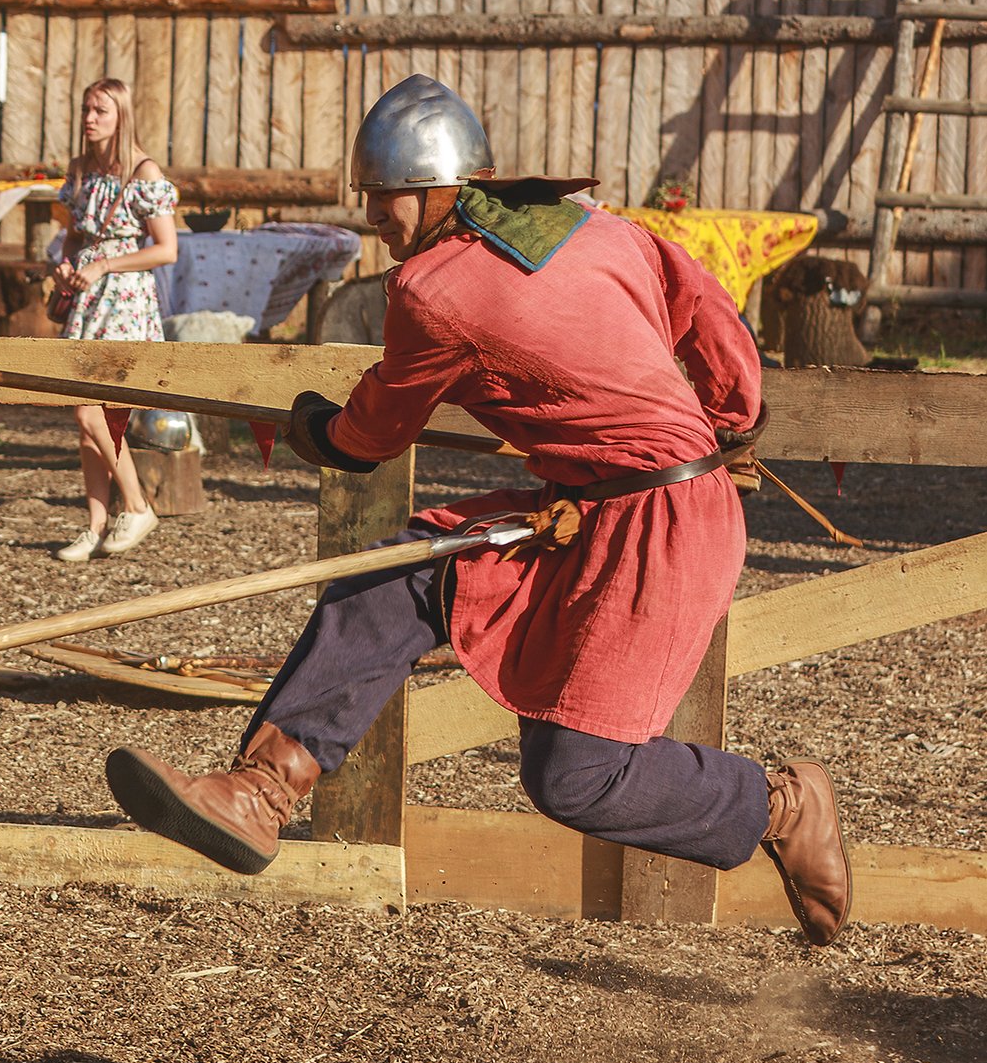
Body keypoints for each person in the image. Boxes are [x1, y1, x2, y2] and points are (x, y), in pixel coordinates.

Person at [103, 74, 852, 945]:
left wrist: (316, 429)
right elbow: (709, 313)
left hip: (659, 530)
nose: (374, 220)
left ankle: (782, 805)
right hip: (593, 509)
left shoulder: (431, 293)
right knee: (398, 576)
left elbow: (372, 434)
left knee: (576, 777)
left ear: (438, 191)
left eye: (386, 199)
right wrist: (728, 422)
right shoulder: (598, 228)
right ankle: (259, 791)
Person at [50, 78, 178, 561]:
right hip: (86, 300)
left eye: (100, 110)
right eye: (86, 108)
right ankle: (95, 525)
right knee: (84, 417)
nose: (89, 118)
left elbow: (166, 249)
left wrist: (104, 265)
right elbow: (73, 236)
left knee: (94, 413)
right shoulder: (81, 169)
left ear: (120, 115)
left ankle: (138, 505)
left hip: (123, 301)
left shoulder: (144, 172)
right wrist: (66, 265)